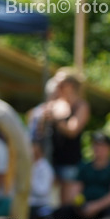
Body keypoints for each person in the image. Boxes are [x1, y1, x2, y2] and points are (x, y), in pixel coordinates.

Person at [39, 69, 90, 205]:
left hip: (70, 161)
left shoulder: (81, 105)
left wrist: (56, 120)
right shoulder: (54, 104)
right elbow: (40, 131)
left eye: (60, 83)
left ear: (71, 85)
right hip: (51, 159)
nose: (57, 86)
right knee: (48, 201)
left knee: (67, 203)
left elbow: (73, 130)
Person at [29, 139, 55, 219]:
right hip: (28, 205)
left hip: (39, 206)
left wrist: (29, 180)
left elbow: (43, 191)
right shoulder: (31, 166)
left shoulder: (45, 168)